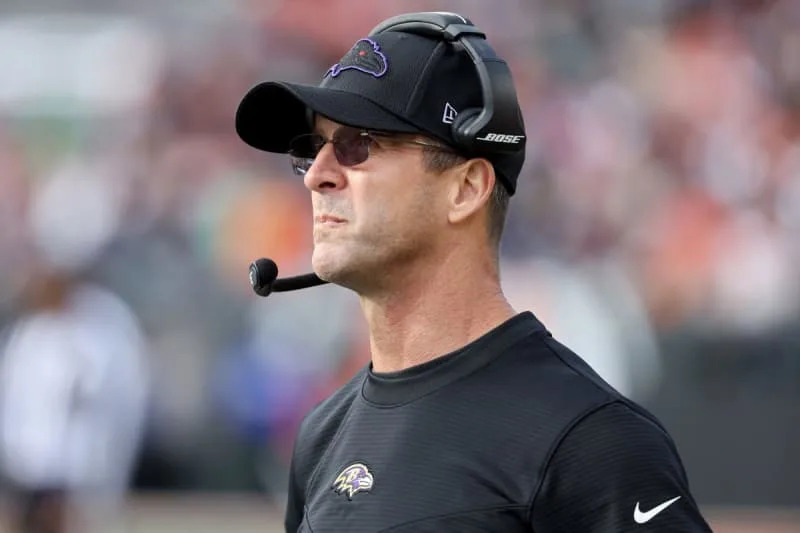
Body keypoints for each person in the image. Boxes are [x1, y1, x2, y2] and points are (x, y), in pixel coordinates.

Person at [234, 11, 712, 532]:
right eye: (310, 150)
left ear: (466, 189)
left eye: (356, 145)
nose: (317, 176)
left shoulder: (588, 439)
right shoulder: (322, 435)